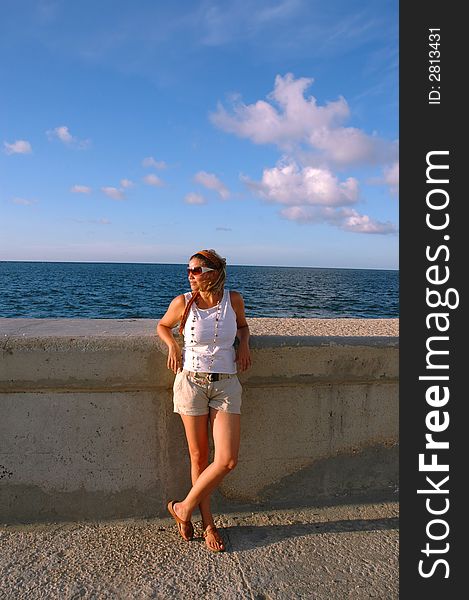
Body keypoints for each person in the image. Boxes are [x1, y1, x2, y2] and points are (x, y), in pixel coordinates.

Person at [156, 249, 251, 552]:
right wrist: (172, 344)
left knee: (227, 460)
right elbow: (161, 326)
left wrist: (245, 344)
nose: (190, 275)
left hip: (226, 385)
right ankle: (208, 523)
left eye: (196, 270)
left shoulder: (233, 300)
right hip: (191, 383)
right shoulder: (183, 303)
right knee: (199, 458)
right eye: (188, 271)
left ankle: (183, 508)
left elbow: (243, 326)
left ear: (213, 272)